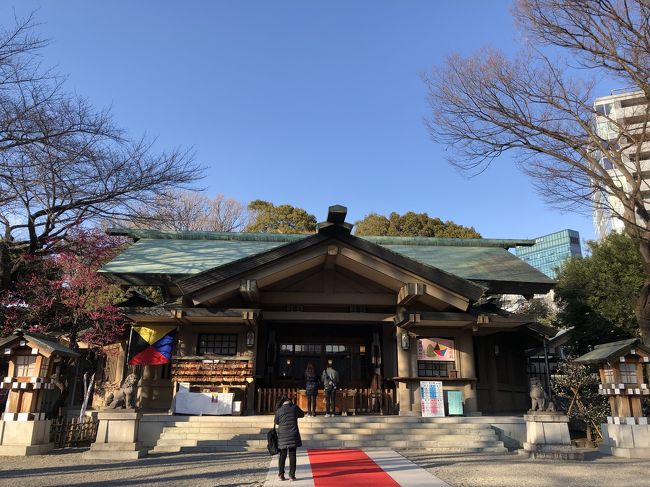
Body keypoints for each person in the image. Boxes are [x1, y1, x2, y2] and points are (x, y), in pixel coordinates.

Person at [274, 394, 304, 482]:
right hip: (293, 434)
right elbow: (302, 414)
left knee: (282, 455)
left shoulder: (279, 410)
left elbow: (276, 422)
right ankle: (291, 475)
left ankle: (281, 474)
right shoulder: (294, 407)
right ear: (289, 401)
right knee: (292, 454)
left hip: (283, 435)